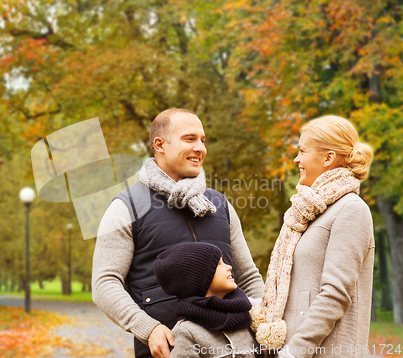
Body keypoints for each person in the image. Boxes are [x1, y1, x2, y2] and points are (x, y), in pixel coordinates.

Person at [92, 108, 264, 358]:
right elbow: (104, 282)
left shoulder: (220, 204)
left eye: (203, 141)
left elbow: (248, 278)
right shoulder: (126, 207)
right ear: (160, 145)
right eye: (190, 139)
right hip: (169, 351)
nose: (200, 148)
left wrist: (264, 324)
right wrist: (148, 329)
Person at [250, 115, 374, 358]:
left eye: (302, 151)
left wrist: (295, 352)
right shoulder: (309, 212)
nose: (297, 159)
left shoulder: (351, 209)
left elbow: (336, 294)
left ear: (328, 158)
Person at [154, 242, 260, 358]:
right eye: (219, 264)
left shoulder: (249, 314)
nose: (229, 267)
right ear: (198, 280)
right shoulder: (187, 332)